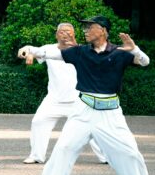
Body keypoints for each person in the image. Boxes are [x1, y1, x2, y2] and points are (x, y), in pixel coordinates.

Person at [20, 16, 155, 175]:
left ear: (103, 30)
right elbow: (49, 53)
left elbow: (145, 62)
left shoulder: (120, 52)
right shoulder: (79, 52)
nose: (85, 31)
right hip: (82, 111)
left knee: (130, 153)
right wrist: (30, 50)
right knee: (63, 149)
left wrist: (134, 48)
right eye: (84, 27)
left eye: (90, 27)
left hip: (111, 113)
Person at [18, 22, 107, 165]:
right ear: (56, 34)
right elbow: (28, 49)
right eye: (62, 31)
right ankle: (36, 156)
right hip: (54, 100)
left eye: (68, 31)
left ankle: (106, 157)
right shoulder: (49, 49)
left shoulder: (82, 50)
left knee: (93, 127)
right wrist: (26, 53)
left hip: (79, 99)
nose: (65, 34)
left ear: (74, 34)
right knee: (38, 122)